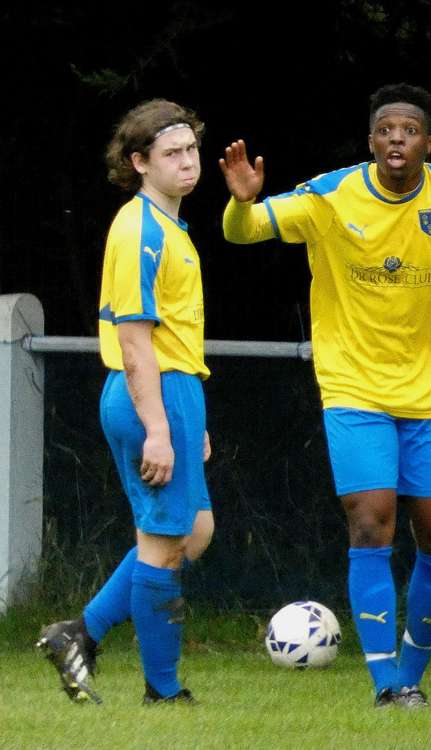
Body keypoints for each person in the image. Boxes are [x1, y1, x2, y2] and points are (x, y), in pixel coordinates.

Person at [219, 83, 431, 708]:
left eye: (409, 130)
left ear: (430, 144)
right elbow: (243, 232)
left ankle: (411, 675)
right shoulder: (330, 194)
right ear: (372, 141)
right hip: (355, 393)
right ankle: (386, 685)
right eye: (386, 130)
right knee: (372, 524)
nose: (397, 140)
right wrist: (242, 205)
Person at [37, 99, 214, 705]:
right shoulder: (138, 227)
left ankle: (79, 632)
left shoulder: (169, 225)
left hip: (175, 390)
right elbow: (135, 340)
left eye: (191, 149)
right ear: (140, 162)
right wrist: (160, 428)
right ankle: (162, 693)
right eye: (172, 153)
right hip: (151, 392)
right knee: (165, 546)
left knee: (195, 531)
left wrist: (191, 421)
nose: (188, 162)